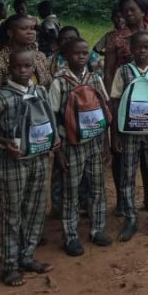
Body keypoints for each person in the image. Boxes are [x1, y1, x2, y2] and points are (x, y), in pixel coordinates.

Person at [0, 49, 59, 286]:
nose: (23, 71)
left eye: (27, 66)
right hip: (13, 163)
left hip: (39, 159)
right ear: (9, 69)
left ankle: (27, 257)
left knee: (35, 209)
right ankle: (9, 265)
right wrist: (3, 142)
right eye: (17, 67)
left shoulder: (40, 91)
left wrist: (54, 138)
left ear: (34, 68)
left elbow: (48, 118)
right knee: (12, 214)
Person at [49, 38, 111, 254]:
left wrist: (105, 143)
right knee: (71, 190)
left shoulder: (95, 79)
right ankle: (71, 236)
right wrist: (58, 150)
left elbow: (103, 110)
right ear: (66, 56)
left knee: (97, 186)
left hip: (94, 141)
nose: (82, 56)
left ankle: (97, 229)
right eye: (77, 53)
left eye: (85, 53)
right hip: (71, 144)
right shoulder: (59, 82)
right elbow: (53, 116)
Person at [110, 31, 148, 241]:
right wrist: (116, 132)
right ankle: (130, 219)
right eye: (138, 47)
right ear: (131, 49)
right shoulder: (123, 71)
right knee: (127, 175)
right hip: (129, 132)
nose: (142, 51)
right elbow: (115, 101)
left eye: (146, 47)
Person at [0, 16, 52, 181]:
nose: (30, 32)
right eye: (24, 28)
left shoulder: (40, 56)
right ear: (11, 32)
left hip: (39, 128)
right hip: (11, 131)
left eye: (33, 28)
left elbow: (46, 88)